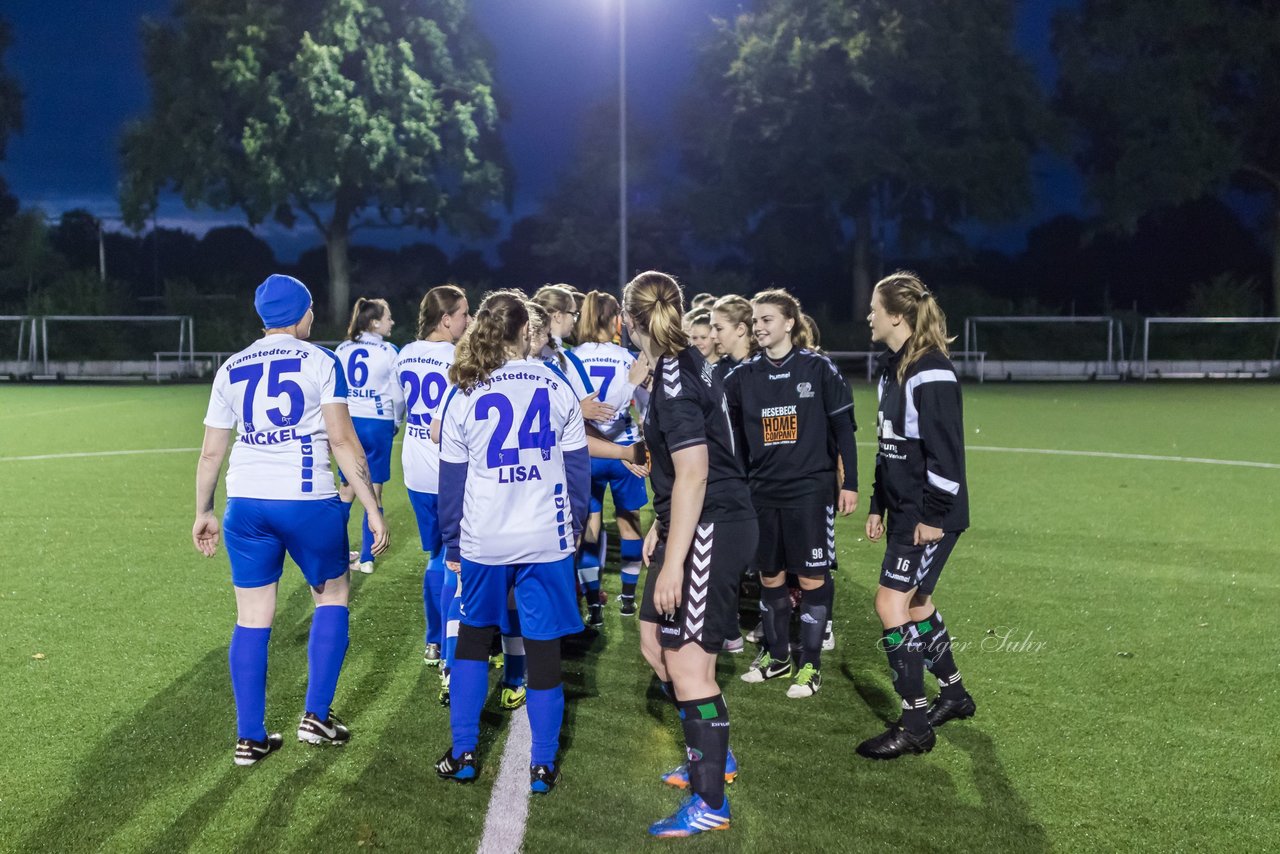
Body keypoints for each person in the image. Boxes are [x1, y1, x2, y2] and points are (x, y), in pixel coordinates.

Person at [193, 274, 388, 766]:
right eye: (311, 311)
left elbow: (211, 454)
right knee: (333, 596)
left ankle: (250, 737)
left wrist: (204, 511)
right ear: (302, 315)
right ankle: (316, 717)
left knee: (252, 618)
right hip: (306, 499)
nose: (314, 317)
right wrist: (370, 505)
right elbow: (342, 441)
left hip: (246, 504)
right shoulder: (322, 360)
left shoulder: (231, 366)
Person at [435, 290, 590, 794]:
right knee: (544, 649)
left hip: (485, 537)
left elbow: (451, 482)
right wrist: (573, 534)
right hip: (547, 536)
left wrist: (453, 545)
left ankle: (463, 753)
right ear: (528, 331)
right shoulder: (556, 382)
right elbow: (577, 471)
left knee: (475, 640)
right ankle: (542, 766)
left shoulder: (464, 389)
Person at [625, 271, 757, 837]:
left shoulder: (676, 374)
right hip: (692, 522)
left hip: (712, 525)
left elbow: (696, 474)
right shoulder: (676, 365)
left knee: (689, 664)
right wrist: (661, 526)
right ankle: (713, 755)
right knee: (654, 640)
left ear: (631, 321)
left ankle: (710, 802)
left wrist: (675, 559)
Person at [857, 271, 973, 759]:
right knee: (917, 605)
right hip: (905, 510)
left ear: (896, 316)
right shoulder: (893, 366)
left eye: (874, 309)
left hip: (928, 516)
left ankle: (915, 724)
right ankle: (954, 693)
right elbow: (891, 446)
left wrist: (933, 516)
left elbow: (948, 457)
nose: (868, 316)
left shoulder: (932, 371)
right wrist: (877, 503)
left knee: (891, 606)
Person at [727, 289, 858, 699]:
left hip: (810, 490)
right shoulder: (742, 377)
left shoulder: (819, 369)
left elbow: (844, 432)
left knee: (811, 575)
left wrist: (850, 482)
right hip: (761, 492)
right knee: (770, 574)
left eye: (767, 319)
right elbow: (730, 441)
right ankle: (778, 656)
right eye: (755, 320)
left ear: (789, 323)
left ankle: (811, 667)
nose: (759, 326)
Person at [394, 285, 468, 676]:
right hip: (450, 470)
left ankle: (432, 640)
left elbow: (397, 410)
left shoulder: (404, 353)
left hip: (415, 468)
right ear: (446, 319)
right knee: (453, 559)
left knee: (434, 556)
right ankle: (449, 649)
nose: (468, 321)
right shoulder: (460, 357)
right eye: (463, 314)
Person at [572, 290, 649, 624]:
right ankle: (629, 599)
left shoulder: (570, 358)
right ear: (615, 319)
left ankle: (594, 603)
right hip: (626, 451)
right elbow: (646, 406)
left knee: (589, 528)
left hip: (587, 452)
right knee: (629, 523)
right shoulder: (629, 358)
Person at [335, 297, 403, 574]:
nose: (392, 322)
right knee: (373, 490)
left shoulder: (342, 348)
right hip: (378, 423)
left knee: (347, 489)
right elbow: (398, 396)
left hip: (349, 422)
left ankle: (335, 553)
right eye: (388, 318)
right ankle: (366, 558)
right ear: (374, 322)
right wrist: (397, 419)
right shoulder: (388, 351)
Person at [708, 295, 754, 385]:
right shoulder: (716, 371)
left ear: (740, 329)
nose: (712, 335)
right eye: (711, 328)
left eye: (719, 328)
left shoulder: (764, 367)